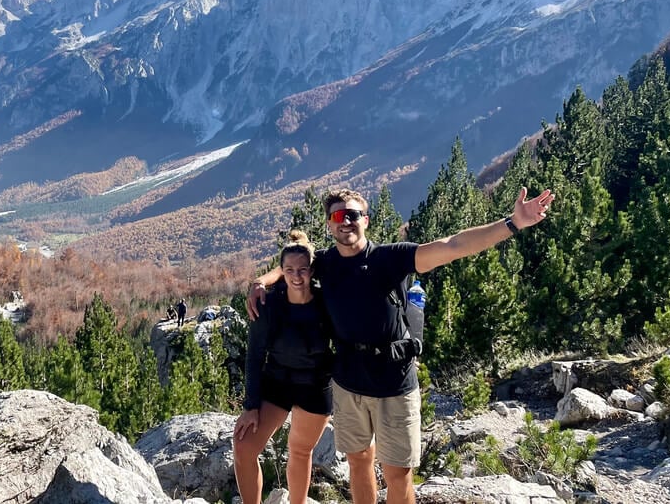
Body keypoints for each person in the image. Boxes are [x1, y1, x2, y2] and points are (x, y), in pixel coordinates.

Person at [248, 186, 554, 504]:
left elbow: (453, 245)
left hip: (393, 381)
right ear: (329, 224)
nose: (345, 221)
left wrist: (513, 222)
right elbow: (294, 263)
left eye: (352, 215)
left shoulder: (389, 259)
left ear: (365, 220)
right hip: (348, 382)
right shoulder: (325, 263)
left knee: (396, 474)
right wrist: (261, 282)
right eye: (338, 216)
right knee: (358, 462)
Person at [234, 231, 334, 504]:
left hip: (315, 387)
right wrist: (251, 405)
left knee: (300, 452)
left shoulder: (326, 303)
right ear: (281, 271)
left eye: (302, 269)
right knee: (243, 447)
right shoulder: (269, 304)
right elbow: (254, 355)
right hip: (277, 383)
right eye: (289, 270)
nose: (296, 276)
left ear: (312, 270)